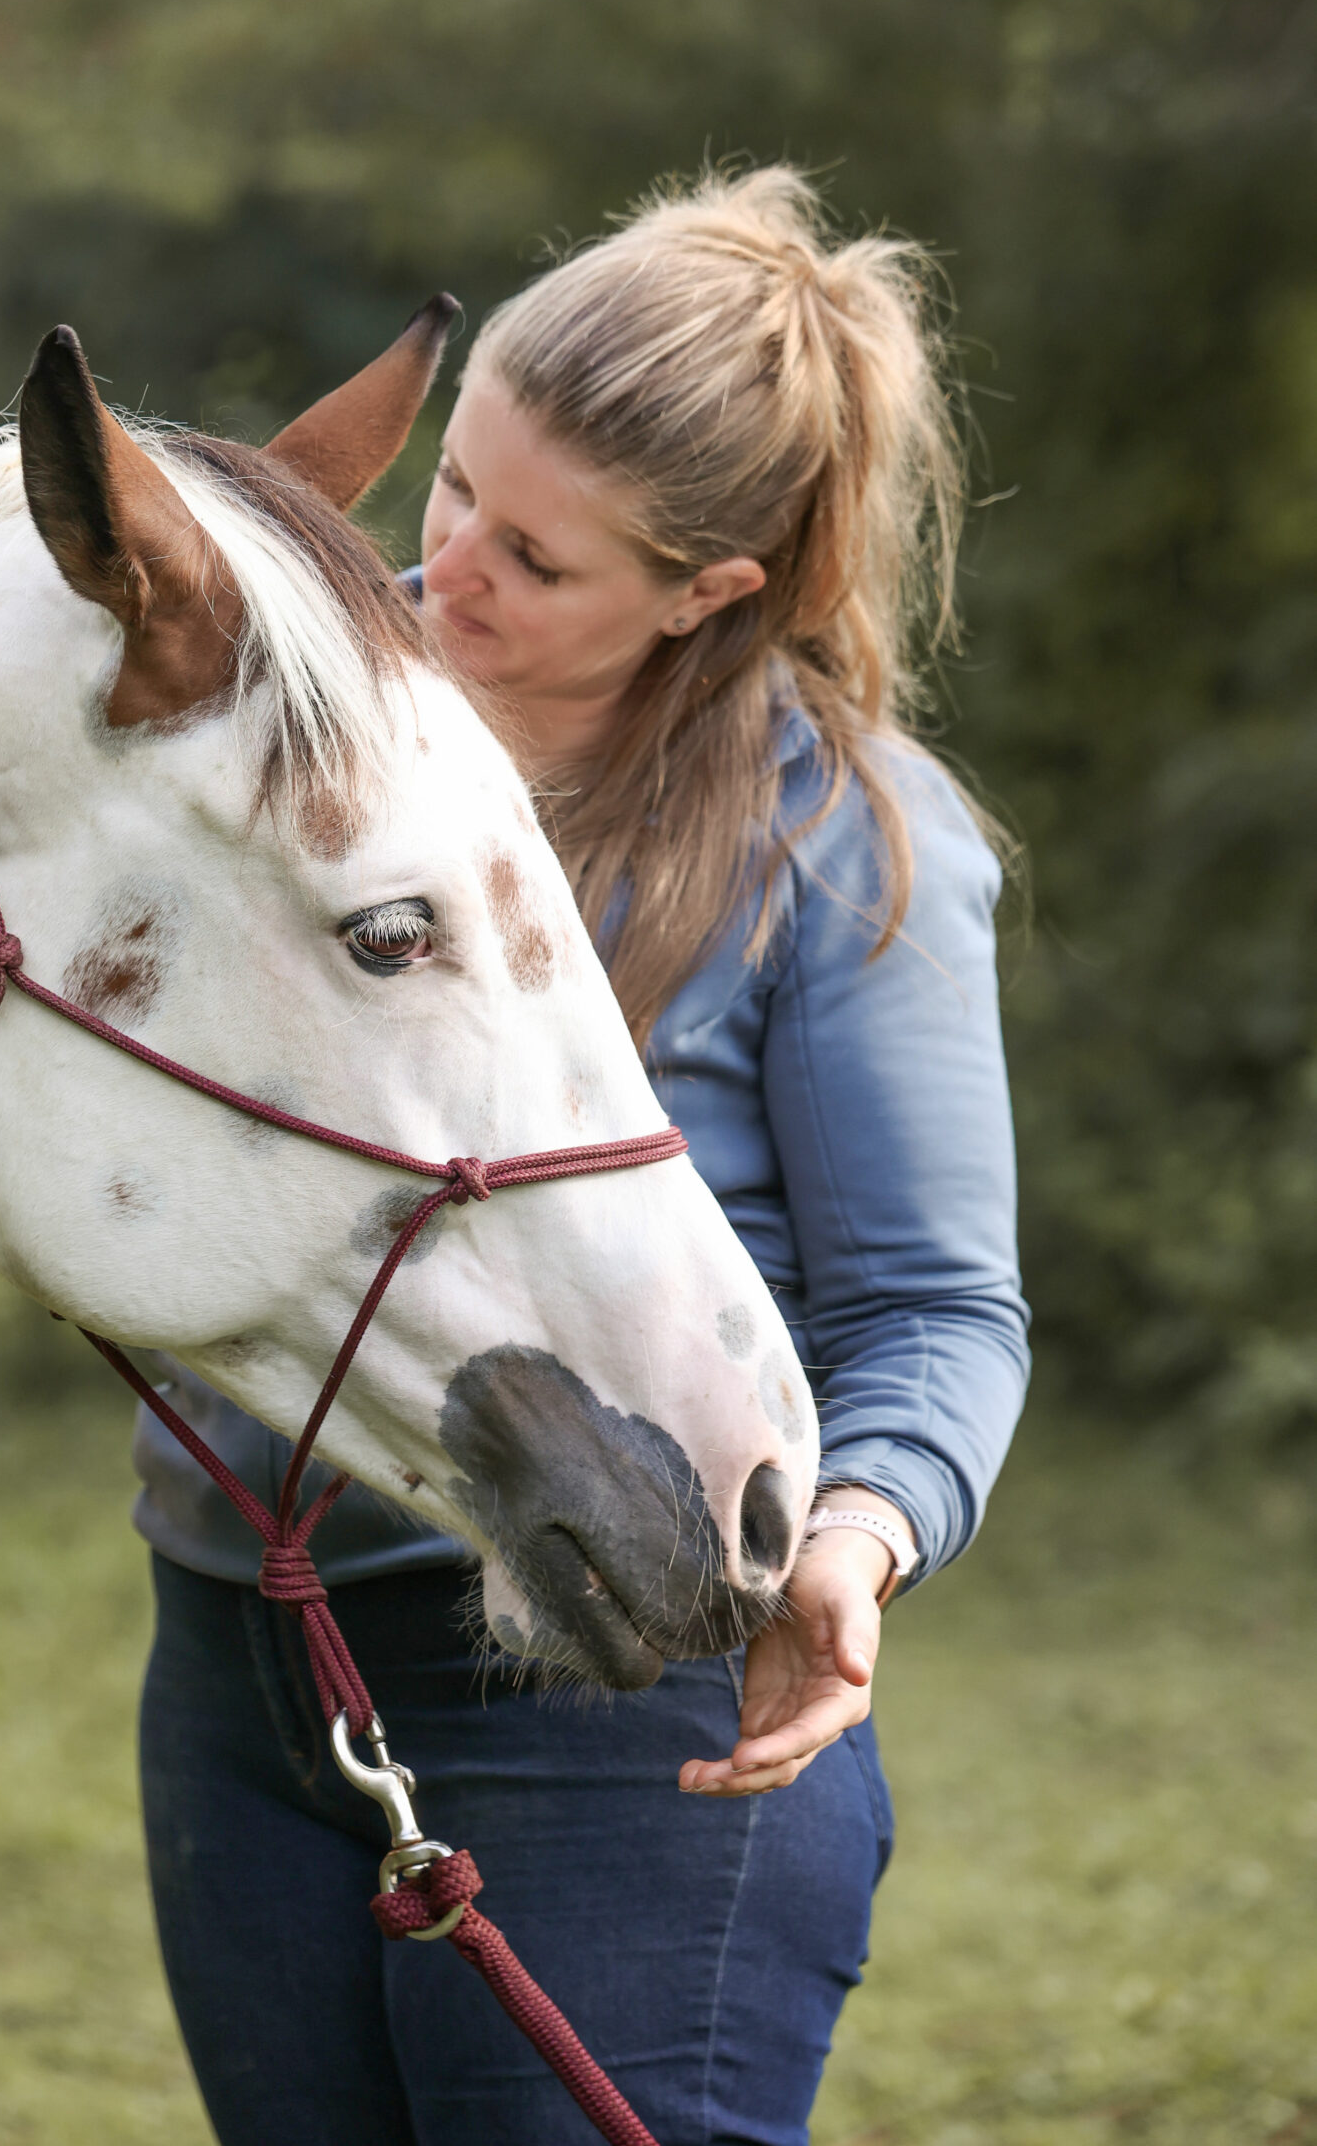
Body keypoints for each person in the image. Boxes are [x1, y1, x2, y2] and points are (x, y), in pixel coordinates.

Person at [133, 168, 1027, 2146]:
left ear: (704, 585)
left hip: (620, 1721)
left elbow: (935, 1303)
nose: (442, 565)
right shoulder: (295, 747)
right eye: (452, 488)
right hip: (237, 1660)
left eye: (533, 557)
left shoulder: (844, 840)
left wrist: (854, 1533)